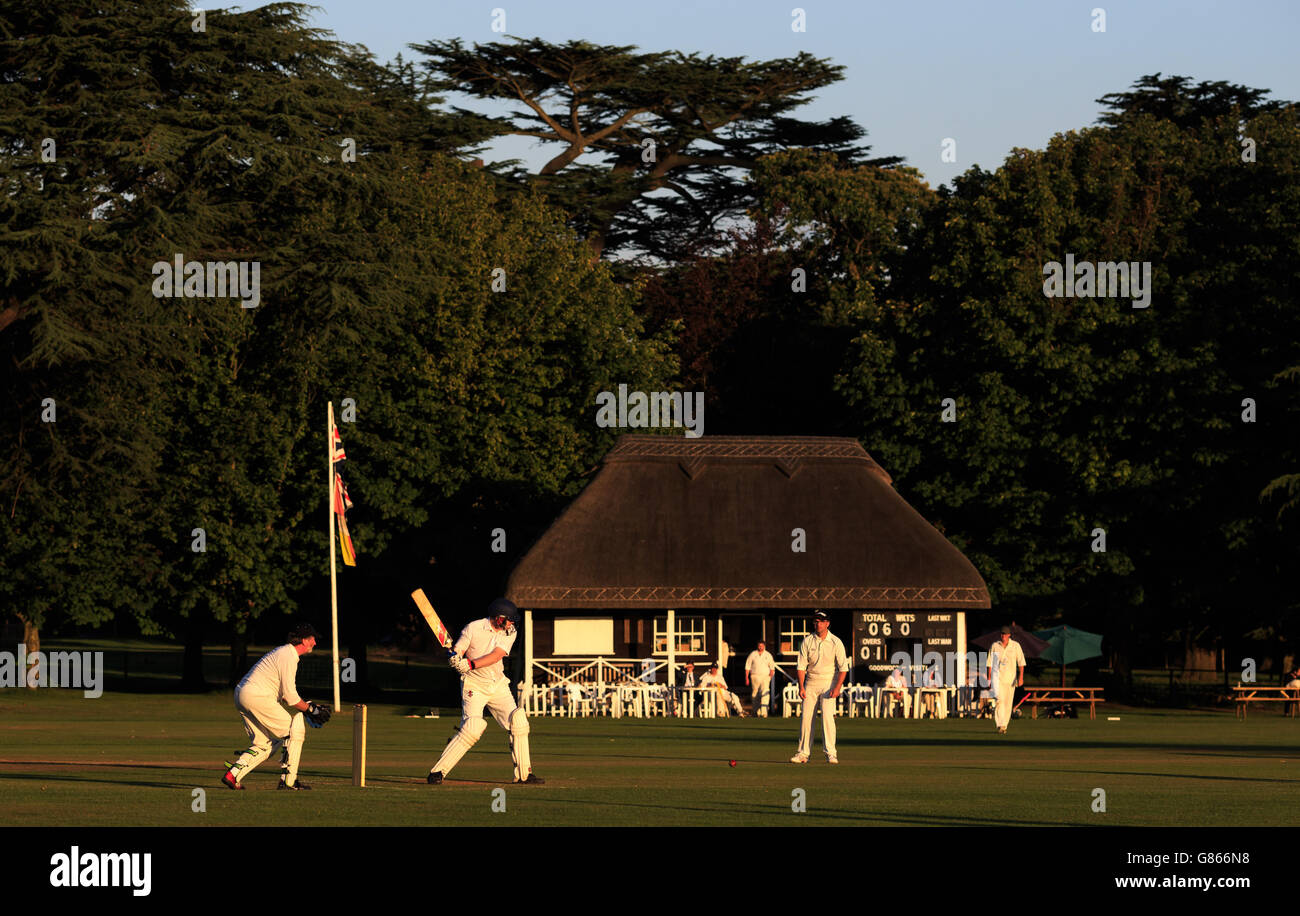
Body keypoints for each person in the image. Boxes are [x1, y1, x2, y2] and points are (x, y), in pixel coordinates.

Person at [427, 598, 543, 785]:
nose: (512, 623)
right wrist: (456, 658)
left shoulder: (510, 631)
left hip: (497, 684)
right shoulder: (472, 628)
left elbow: (496, 655)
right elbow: (459, 648)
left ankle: (524, 775)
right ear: (499, 618)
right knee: (472, 728)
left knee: (518, 721)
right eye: (510, 619)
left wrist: (470, 664)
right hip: (474, 685)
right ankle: (437, 772)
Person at [221, 622, 330, 790]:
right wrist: (311, 710)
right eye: (312, 639)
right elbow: (291, 697)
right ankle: (288, 781)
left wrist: (307, 706)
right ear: (303, 640)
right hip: (257, 696)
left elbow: (286, 696)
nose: (315, 643)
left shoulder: (284, 653)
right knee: (294, 730)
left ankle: (233, 774)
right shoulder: (288, 655)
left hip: (243, 694)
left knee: (263, 744)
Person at [791, 610, 848, 764]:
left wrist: (837, 687)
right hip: (811, 682)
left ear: (827, 623)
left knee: (828, 718)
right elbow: (801, 666)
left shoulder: (836, 642)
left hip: (828, 682)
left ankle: (831, 753)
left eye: (821, 621)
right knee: (806, 719)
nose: (818, 624)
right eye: (816, 621)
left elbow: (843, 668)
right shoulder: (807, 641)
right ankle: (803, 754)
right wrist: (801, 687)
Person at [985, 625, 1026, 734]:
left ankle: (1004, 725)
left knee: (1008, 703)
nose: (1003, 636)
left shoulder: (1015, 646)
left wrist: (1021, 677)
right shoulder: (995, 646)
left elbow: (1021, 662)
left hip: (1010, 679)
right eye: (1002, 634)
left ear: (1009, 635)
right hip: (997, 679)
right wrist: (989, 678)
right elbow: (989, 663)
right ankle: (999, 724)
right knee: (999, 701)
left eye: (1005, 634)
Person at [745, 640, 776, 717]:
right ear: (757, 646)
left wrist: (769, 677)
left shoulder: (768, 655)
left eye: (762, 646)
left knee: (765, 692)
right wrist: (746, 678)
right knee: (755, 694)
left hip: (765, 677)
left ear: (764, 646)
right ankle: (755, 712)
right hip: (754, 676)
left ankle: (764, 712)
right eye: (759, 646)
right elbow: (747, 667)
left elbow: (772, 668)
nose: (760, 647)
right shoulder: (753, 654)